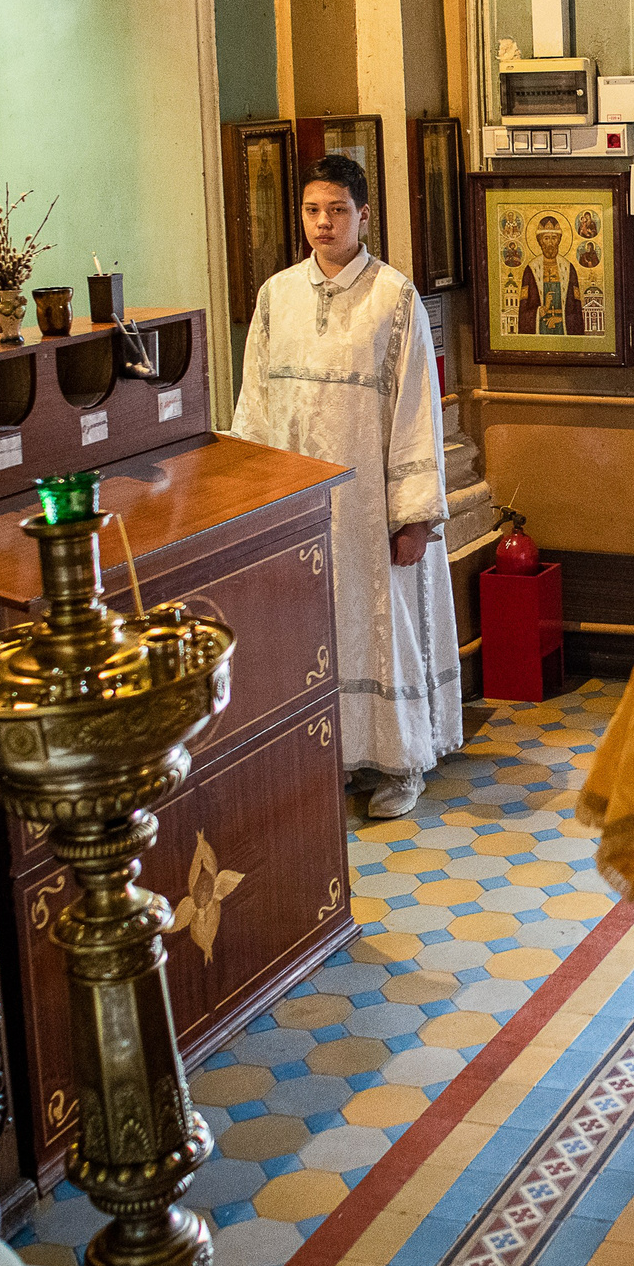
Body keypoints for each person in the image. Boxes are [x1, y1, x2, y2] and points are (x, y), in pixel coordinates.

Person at [229, 155, 458, 817]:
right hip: (302, 504)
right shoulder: (277, 296)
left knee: (383, 625)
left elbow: (417, 406)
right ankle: (331, 756)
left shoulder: (394, 297)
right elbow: (256, 405)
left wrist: (412, 515)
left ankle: (399, 762)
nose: (323, 223)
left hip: (371, 507)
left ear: (363, 215)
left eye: (336, 210)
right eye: (311, 210)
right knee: (312, 628)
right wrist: (256, 497)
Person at [517, 214, 584, 336]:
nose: (550, 243)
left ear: (559, 240)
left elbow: (576, 308)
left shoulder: (568, 268)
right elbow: (523, 311)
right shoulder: (530, 270)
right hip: (539, 329)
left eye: (554, 238)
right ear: (540, 241)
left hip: (563, 329)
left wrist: (562, 319)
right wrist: (541, 311)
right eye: (546, 238)